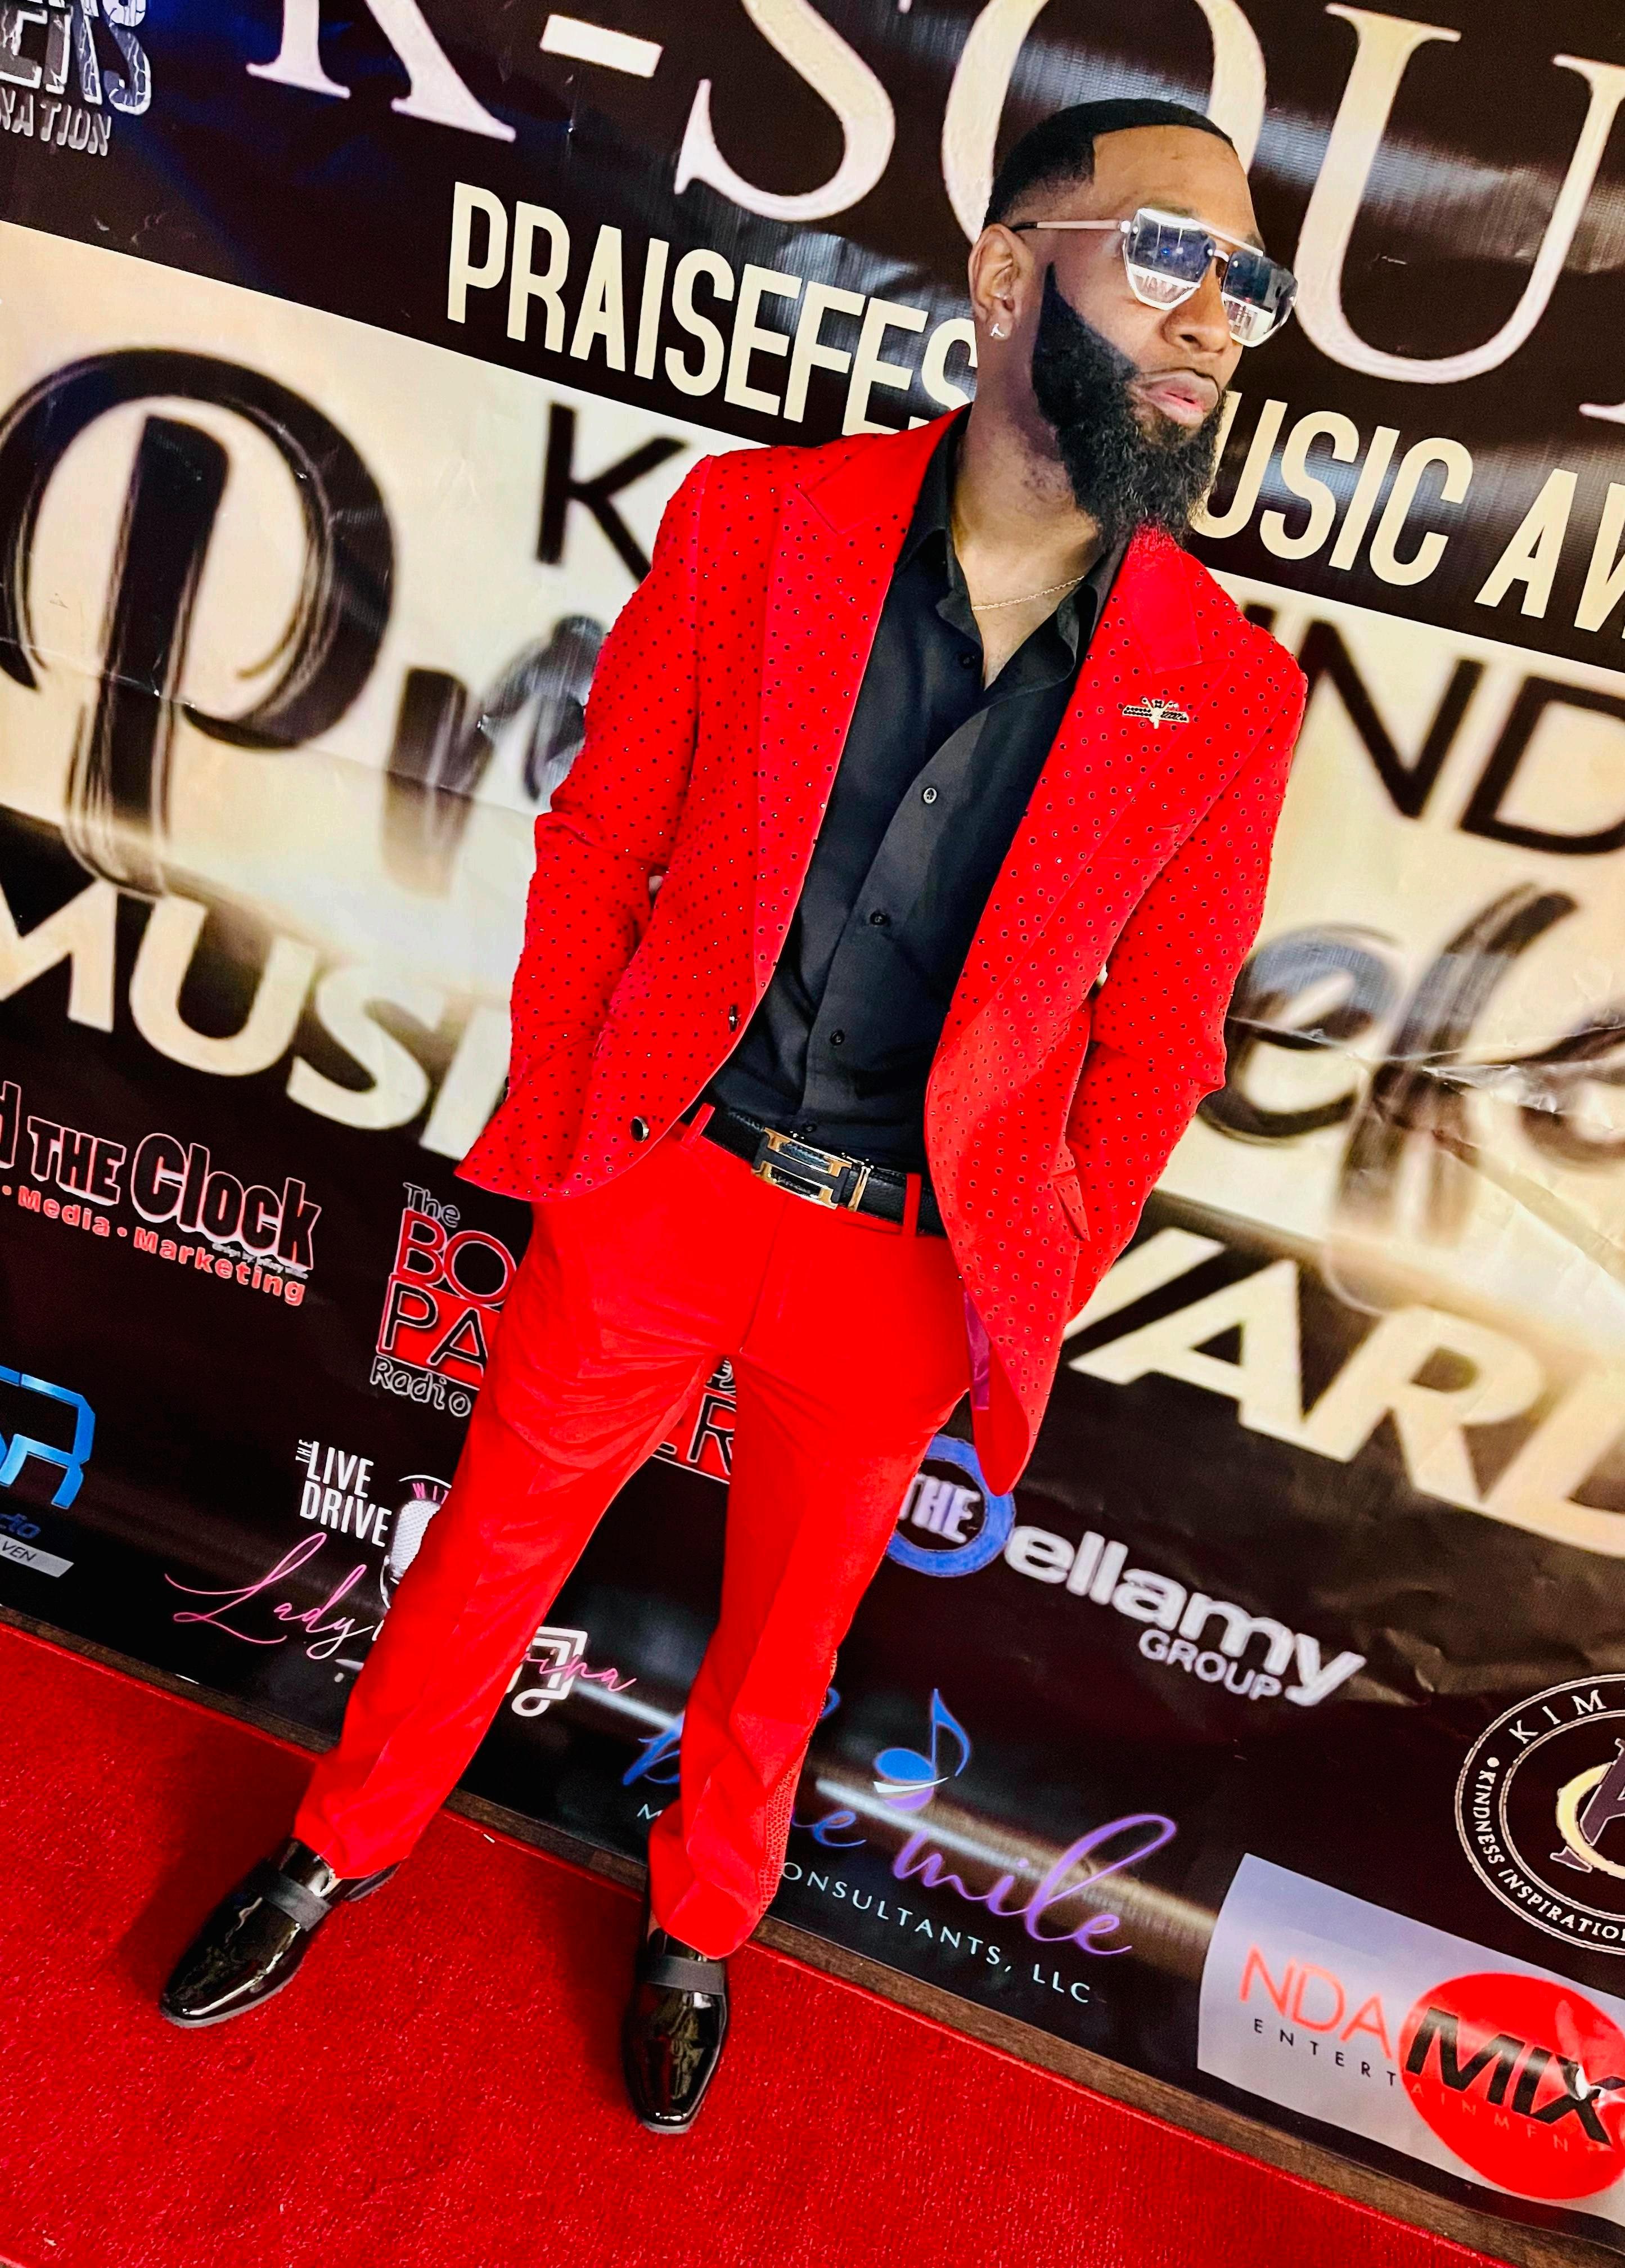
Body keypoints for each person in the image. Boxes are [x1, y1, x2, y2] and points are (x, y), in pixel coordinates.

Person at [161, 96, 1307, 2132]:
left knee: (784, 1647)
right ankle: (340, 1840)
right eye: (1165, 256)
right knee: (488, 1549)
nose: (1215, 317)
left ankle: (701, 1924)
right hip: (663, 1185)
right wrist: (578, 1125)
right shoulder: (753, 525)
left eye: (1247, 282)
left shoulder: (1223, 690)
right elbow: (604, 840)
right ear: (1003, 273)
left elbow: (1159, 1048)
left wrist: (1035, 1252)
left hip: (900, 1271)